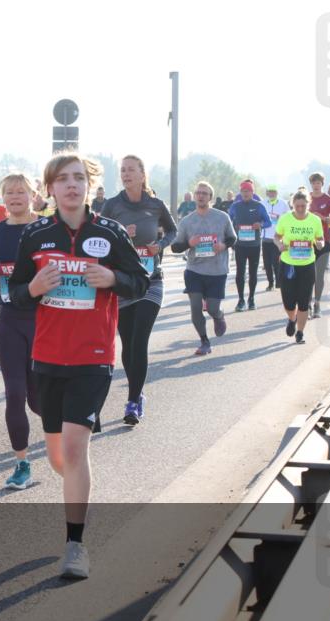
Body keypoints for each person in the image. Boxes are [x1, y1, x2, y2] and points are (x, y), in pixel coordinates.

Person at [8, 153, 148, 579]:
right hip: (48, 358)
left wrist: (114, 280)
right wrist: (33, 287)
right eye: (63, 179)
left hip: (93, 357)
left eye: (78, 178)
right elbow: (15, 292)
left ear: (89, 186)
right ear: (50, 189)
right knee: (58, 458)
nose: (71, 185)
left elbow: (141, 280)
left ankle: (75, 545)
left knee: (73, 449)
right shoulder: (35, 235)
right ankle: (79, 494)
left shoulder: (109, 232)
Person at [100, 155, 176, 425]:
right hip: (123, 283)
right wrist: (121, 235)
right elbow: (98, 239)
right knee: (128, 343)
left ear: (143, 175)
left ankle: (133, 402)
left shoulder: (155, 204)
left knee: (140, 340)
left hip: (151, 280)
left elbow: (173, 231)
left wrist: (160, 245)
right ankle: (138, 391)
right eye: (123, 170)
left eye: (131, 170)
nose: (126, 174)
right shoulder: (112, 205)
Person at [0, 173, 40, 488]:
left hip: (44, 319)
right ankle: (22, 463)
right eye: (10, 192)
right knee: (15, 394)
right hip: (10, 319)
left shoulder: (45, 228)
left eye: (21, 191)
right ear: (3, 198)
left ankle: (68, 430)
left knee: (39, 400)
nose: (15, 197)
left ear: (33, 195)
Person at [171, 182, 237, 356]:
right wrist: (189, 243)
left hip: (217, 270)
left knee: (213, 308)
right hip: (194, 270)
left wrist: (223, 246)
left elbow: (233, 238)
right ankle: (204, 341)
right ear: (194, 196)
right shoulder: (187, 221)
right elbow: (175, 247)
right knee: (195, 306)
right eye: (198, 193)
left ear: (210, 197)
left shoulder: (222, 217)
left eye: (204, 193)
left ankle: (218, 315)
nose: (201, 196)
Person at [274, 190, 325, 344]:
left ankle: (300, 332)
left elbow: (320, 238)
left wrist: (320, 244)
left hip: (307, 265)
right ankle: (292, 318)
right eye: (297, 206)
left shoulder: (315, 220)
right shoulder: (285, 218)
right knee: (288, 302)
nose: (301, 209)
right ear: (293, 205)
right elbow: (277, 237)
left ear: (308, 205)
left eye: (303, 206)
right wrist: (279, 245)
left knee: (304, 302)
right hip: (288, 265)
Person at [228, 180, 272, 311]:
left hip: (254, 245)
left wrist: (260, 225)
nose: (245, 193)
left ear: (252, 192)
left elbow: (268, 222)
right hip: (240, 245)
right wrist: (232, 229)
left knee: (253, 273)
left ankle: (251, 299)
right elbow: (228, 221)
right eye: (243, 191)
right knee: (240, 273)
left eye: (248, 191)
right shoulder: (235, 206)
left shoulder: (259, 206)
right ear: (240, 193)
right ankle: (241, 300)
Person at [306, 172, 330, 318]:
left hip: (324, 241)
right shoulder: (306, 198)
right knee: (307, 275)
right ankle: (306, 304)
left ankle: (317, 304)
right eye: (314, 183)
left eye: (318, 183)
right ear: (311, 184)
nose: (316, 185)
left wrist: (323, 218)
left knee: (319, 275)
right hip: (307, 241)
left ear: (322, 184)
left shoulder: (328, 200)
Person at [262, 186, 289, 290]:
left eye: (274, 192)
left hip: (278, 238)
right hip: (265, 238)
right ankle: (270, 283)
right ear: (267, 193)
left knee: (276, 262)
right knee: (267, 263)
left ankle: (278, 282)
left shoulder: (283, 203)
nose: (272, 194)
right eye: (270, 192)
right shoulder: (262, 203)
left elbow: (289, 217)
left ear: (277, 193)